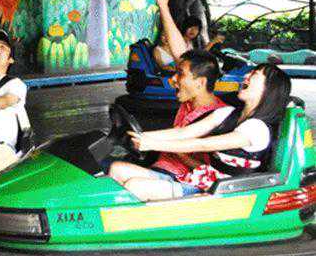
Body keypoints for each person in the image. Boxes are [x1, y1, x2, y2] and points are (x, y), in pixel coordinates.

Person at [110, 0, 227, 199]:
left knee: (134, 185)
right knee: (115, 169)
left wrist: (156, 142)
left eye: (179, 75)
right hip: (164, 171)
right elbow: (181, 54)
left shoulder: (216, 115)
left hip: (189, 182)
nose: (173, 80)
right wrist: (163, 5)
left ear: (200, 82)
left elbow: (203, 167)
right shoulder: (191, 99)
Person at [125, 62, 291, 200]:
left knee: (135, 186)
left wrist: (153, 144)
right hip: (204, 180)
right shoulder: (227, 112)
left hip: (226, 194)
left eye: (254, 74)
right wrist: (138, 135)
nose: (246, 75)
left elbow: (203, 144)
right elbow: (184, 133)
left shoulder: (257, 129)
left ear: (269, 89)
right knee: (118, 169)